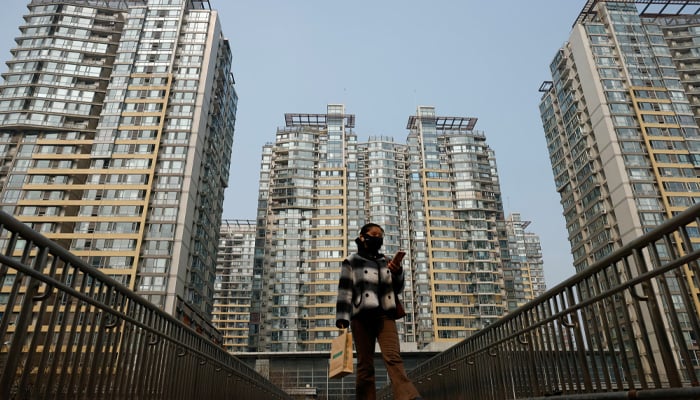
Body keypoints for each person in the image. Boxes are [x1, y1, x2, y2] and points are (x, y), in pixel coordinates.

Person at [336, 223, 423, 400]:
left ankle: (409, 397)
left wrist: (397, 272)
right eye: (373, 234)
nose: (377, 237)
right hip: (361, 316)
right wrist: (342, 318)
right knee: (365, 365)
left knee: (393, 357)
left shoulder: (385, 260)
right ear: (362, 237)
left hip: (385, 316)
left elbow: (397, 289)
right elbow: (345, 291)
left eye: (380, 235)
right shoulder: (351, 261)